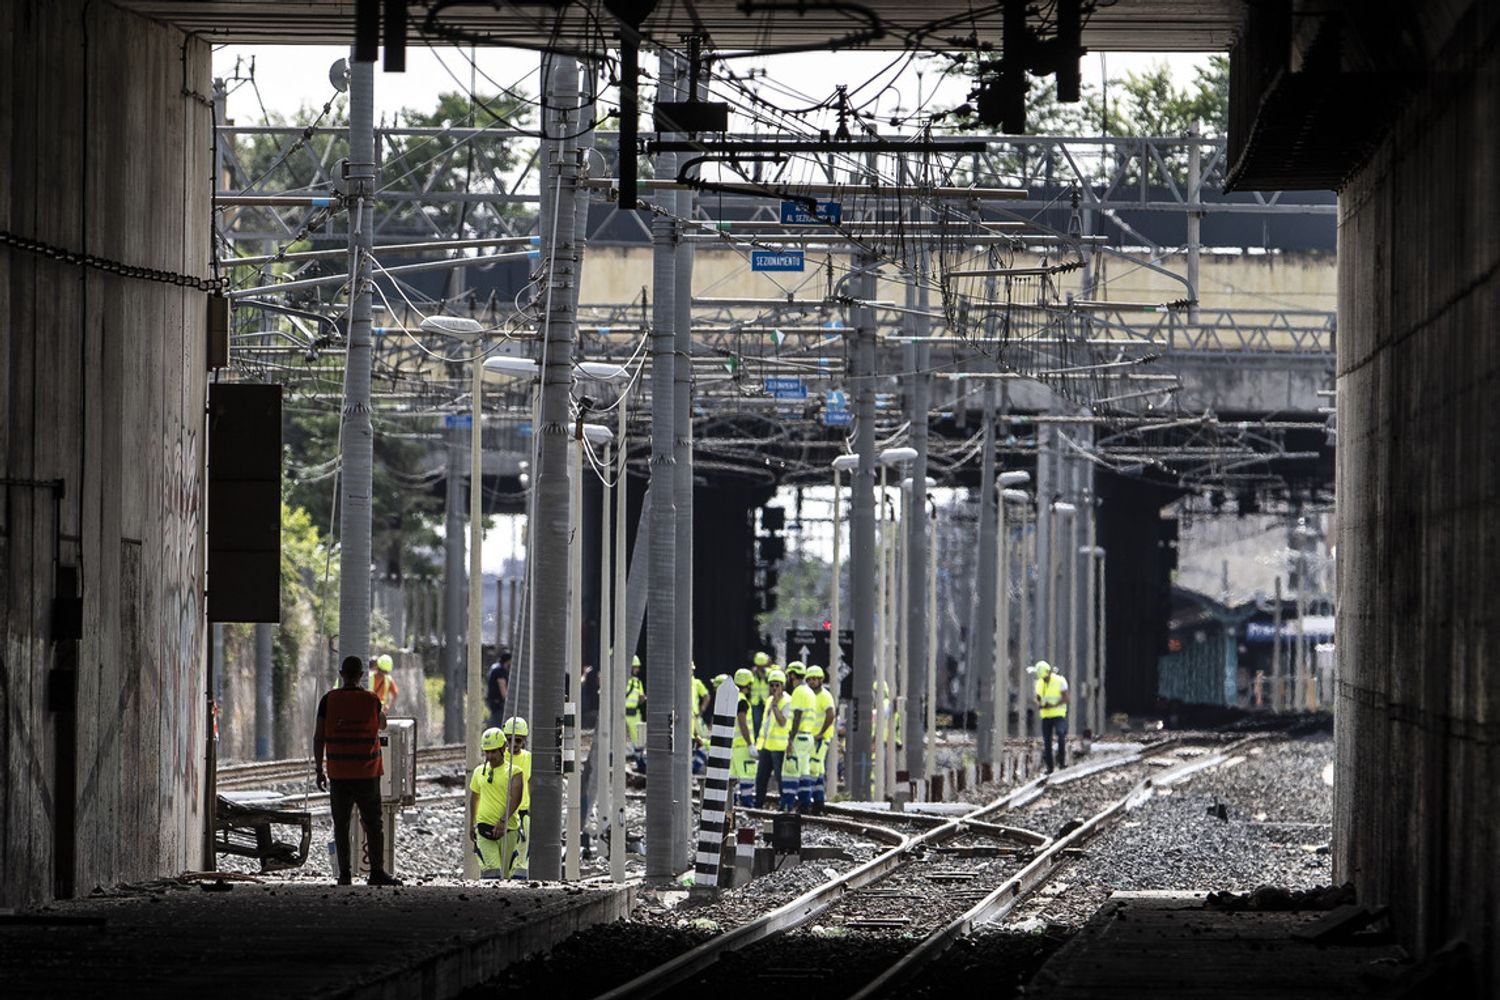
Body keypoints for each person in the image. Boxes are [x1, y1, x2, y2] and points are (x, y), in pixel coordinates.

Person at [314, 655, 402, 886]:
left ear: (342, 674)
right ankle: (376, 872)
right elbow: (382, 724)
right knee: (373, 824)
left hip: (339, 774)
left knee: (341, 824)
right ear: (362, 675)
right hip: (367, 774)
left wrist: (318, 768)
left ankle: (344, 875)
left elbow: (318, 735)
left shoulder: (328, 700)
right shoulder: (371, 699)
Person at [468, 727, 516, 878]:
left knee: (507, 874)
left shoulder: (513, 772)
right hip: (484, 827)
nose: (489, 756)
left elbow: (516, 798)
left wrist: (503, 821)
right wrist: (472, 823)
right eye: (486, 752)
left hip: (509, 828)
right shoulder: (478, 772)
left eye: (493, 751)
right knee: (492, 871)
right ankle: (491, 896)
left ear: (503, 749)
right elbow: (474, 797)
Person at [496, 717, 532, 878]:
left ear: (524, 740)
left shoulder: (529, 758)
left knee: (521, 857)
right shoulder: (499, 759)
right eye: (509, 739)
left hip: (522, 814)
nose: (513, 743)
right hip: (500, 814)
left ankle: (519, 884)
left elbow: (532, 784)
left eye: (518, 740)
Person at [753, 669, 790, 808]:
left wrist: (775, 706)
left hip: (780, 747)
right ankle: (758, 803)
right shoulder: (768, 700)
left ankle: (784, 804)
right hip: (767, 745)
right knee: (761, 777)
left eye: (777, 685)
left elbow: (782, 722)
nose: (774, 688)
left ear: (782, 686)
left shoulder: (787, 701)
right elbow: (765, 724)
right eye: (772, 685)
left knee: (780, 778)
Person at [805, 665, 837, 812]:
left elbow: (831, 715)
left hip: (820, 739)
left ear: (821, 680)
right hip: (812, 738)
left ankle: (808, 800)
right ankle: (818, 802)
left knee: (813, 767)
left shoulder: (824, 696)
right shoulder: (811, 696)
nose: (812, 681)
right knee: (818, 770)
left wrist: (821, 733)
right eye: (810, 679)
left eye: (815, 679)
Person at [785, 662, 816, 811]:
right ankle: (805, 805)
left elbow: (797, 716)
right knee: (804, 773)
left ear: (792, 675)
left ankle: (787, 805)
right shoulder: (809, 691)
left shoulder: (798, 692)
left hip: (799, 737)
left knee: (790, 771)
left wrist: (790, 739)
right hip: (808, 737)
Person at [1034, 660, 1070, 773]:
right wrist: (1040, 705)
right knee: (1047, 742)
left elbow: (1065, 698)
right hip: (1046, 716)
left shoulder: (1060, 681)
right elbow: (1037, 698)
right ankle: (1050, 767)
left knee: (1060, 734)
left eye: (1045, 677)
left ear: (1048, 672)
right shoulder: (1039, 683)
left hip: (1059, 714)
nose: (1044, 679)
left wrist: (1053, 705)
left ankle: (1062, 762)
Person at [730, 669, 758, 807]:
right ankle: (747, 806)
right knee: (747, 777)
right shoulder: (742, 701)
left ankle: (732, 807)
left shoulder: (731, 697)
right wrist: (750, 744)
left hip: (732, 746)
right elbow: (743, 723)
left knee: (732, 779)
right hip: (742, 746)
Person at [485, 650, 512, 728]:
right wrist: (508, 701)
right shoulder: (500, 671)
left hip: (493, 700)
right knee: (498, 722)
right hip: (497, 702)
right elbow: (502, 688)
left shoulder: (495, 668)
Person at [624, 655, 646, 746]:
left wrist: (643, 698)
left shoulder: (638, 682)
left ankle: (637, 754)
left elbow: (641, 698)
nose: (637, 670)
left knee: (636, 738)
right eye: (636, 667)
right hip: (622, 713)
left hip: (633, 713)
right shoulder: (623, 680)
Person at [749, 651, 771, 733]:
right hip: (755, 701)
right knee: (756, 721)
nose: (760, 668)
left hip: (766, 701)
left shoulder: (769, 673)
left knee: (766, 721)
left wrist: (763, 676)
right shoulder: (752, 673)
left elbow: (770, 683)